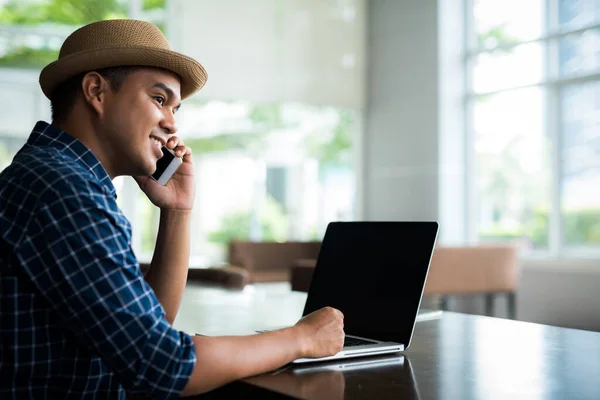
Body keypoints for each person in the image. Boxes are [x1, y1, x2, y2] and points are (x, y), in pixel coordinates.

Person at [0, 19, 344, 399]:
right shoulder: (63, 189)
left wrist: (177, 211)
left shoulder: (55, 176)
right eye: (159, 99)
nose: (171, 125)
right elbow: (162, 366)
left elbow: (148, 329)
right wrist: (301, 338)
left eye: (176, 108)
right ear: (96, 91)